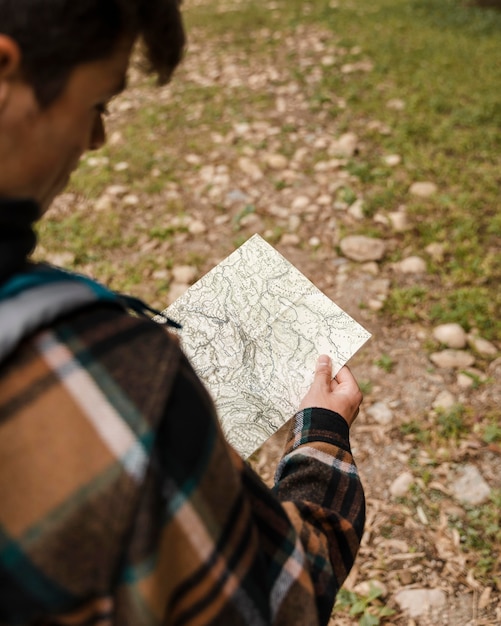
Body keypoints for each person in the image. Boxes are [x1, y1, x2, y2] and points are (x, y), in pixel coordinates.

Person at [0, 1, 366, 625]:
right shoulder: (113, 385)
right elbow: (280, 600)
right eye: (98, 104)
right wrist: (323, 439)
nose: (96, 139)